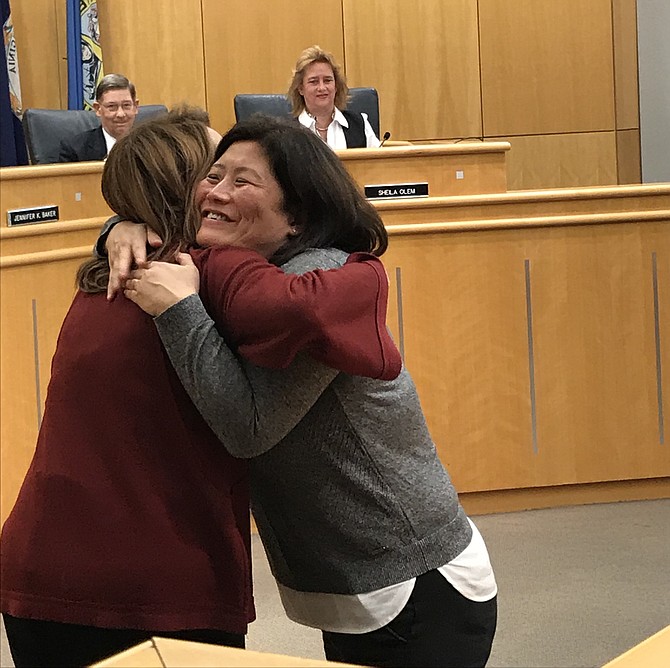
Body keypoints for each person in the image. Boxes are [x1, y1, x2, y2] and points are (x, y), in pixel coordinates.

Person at [0, 114, 401, 667]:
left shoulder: (103, 276)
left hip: (37, 564)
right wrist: (363, 259)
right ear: (190, 187)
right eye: (217, 172)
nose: (225, 186)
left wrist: (119, 224)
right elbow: (310, 305)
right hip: (156, 584)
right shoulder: (212, 274)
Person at [110, 116, 498, 668]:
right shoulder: (250, 273)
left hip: (414, 583)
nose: (216, 192)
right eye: (213, 175)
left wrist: (179, 312)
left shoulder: (316, 287)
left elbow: (249, 428)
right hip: (358, 587)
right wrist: (120, 224)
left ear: (298, 215)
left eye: (242, 182)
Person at [288, 45, 380, 149]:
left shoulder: (361, 124)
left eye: (327, 80)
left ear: (336, 86)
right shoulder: (288, 133)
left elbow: (379, 163)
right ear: (300, 88)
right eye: (314, 82)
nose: (322, 88)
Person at [58, 73, 139, 162]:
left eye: (126, 105)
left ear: (135, 107)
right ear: (98, 109)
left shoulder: (152, 145)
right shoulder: (74, 149)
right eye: (112, 106)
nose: (120, 114)